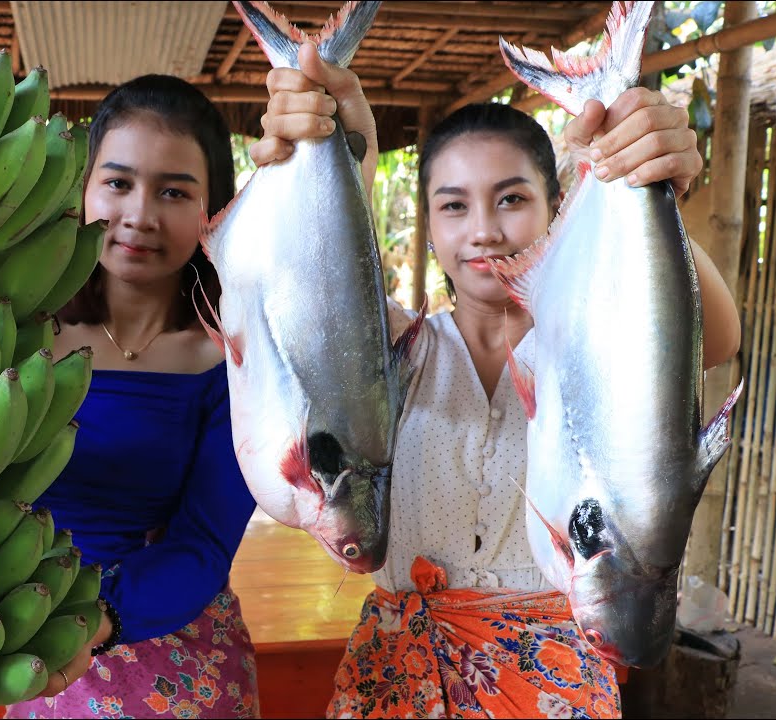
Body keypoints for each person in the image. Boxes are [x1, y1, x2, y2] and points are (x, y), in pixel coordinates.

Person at [247, 42, 740, 718]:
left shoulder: (600, 353)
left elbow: (717, 339)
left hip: (554, 689)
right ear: (428, 228)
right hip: (396, 684)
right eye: (453, 206)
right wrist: (338, 145)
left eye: (511, 198)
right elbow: (319, 264)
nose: (483, 230)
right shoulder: (389, 348)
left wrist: (650, 184)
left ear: (557, 206)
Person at [0, 74, 261, 719]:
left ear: (214, 210)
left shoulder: (233, 360)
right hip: (27, 650)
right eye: (118, 183)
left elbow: (205, 541)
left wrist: (96, 619)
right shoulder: (10, 335)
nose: (140, 215)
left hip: (180, 662)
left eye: (174, 191)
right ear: (83, 189)